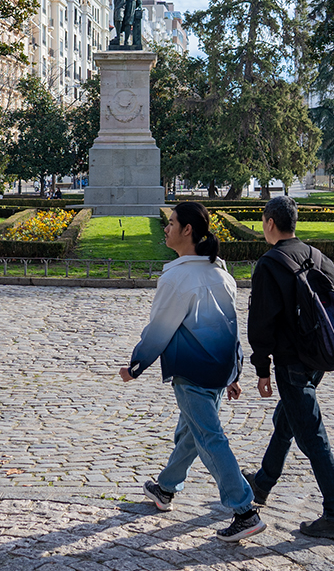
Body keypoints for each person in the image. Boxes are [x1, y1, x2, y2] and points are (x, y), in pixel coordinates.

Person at [122, 201, 264, 543]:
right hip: (218, 369)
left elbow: (160, 328)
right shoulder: (222, 274)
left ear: (188, 230)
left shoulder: (178, 277)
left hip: (192, 370)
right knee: (192, 431)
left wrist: (136, 366)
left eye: (171, 223)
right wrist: (235, 372)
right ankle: (165, 488)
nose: (166, 228)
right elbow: (231, 329)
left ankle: (244, 510)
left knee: (209, 436)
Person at [244, 195, 334, 541]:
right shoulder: (319, 258)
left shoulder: (270, 263)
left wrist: (262, 369)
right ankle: (261, 484)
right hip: (319, 360)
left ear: (270, 223)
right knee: (287, 419)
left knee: (312, 436)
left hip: (291, 362)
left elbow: (261, 324)